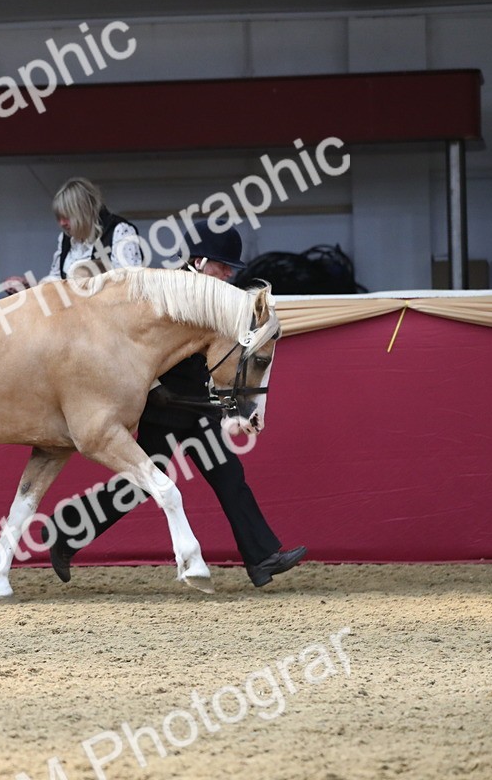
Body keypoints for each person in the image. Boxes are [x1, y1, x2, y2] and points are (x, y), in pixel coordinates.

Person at [43, 205, 307, 588]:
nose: (229, 274)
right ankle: (67, 533)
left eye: (230, 268)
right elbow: (135, 347)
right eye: (222, 266)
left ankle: (262, 558)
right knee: (138, 487)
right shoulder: (165, 292)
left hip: (200, 407)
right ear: (199, 261)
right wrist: (153, 389)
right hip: (165, 407)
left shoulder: (221, 298)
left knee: (230, 478)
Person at [50, 177, 145, 278]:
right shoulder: (66, 239)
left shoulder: (119, 231)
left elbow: (131, 280)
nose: (62, 223)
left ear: (84, 212)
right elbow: (55, 278)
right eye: (59, 217)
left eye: (67, 216)